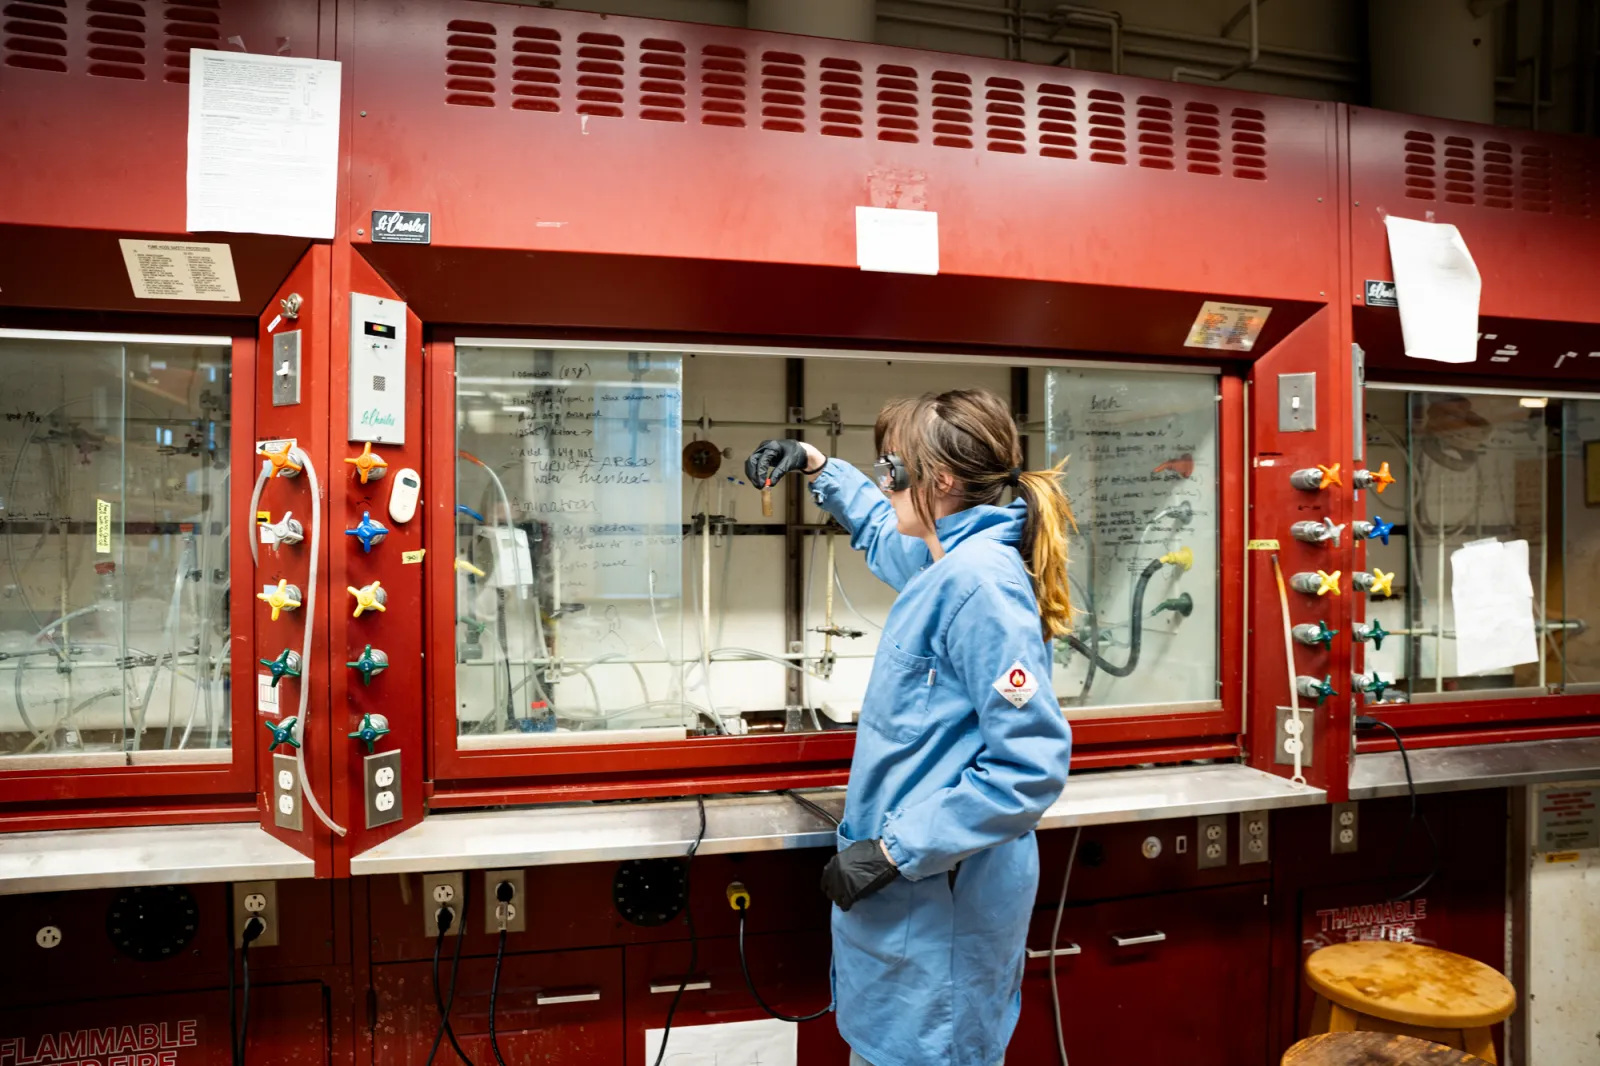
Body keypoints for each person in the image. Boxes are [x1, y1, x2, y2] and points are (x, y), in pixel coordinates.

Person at [745, 388, 1076, 1066]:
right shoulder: (948, 559)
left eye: (890, 471)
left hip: (937, 902)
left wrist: (895, 851)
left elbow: (1029, 768)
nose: (882, 483)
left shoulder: (982, 586)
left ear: (941, 482)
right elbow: (879, 530)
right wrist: (816, 466)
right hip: (913, 920)